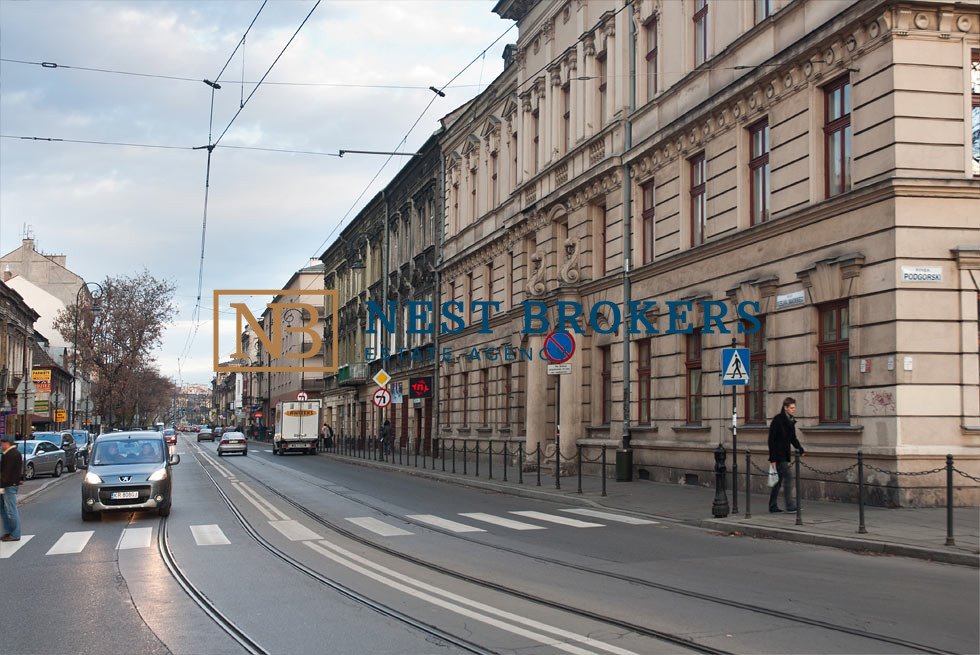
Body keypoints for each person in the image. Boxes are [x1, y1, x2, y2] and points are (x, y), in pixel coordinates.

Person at [768, 396, 805, 513]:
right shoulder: (777, 420)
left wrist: (800, 449)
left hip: (784, 454)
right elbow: (771, 440)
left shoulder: (790, 420)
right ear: (785, 408)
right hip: (778, 456)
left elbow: (793, 438)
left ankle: (772, 506)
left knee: (777, 481)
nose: (794, 409)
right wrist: (772, 458)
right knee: (788, 477)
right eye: (792, 408)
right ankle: (790, 505)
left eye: (794, 407)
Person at [1, 434, 24, 542]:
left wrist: (1, 484)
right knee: (4, 510)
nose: (1, 444)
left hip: (8, 485)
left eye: (3, 442)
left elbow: (6, 472)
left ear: (7, 443)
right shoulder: (9, 453)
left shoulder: (11, 454)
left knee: (10, 510)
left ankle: (14, 533)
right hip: (7, 485)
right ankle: (9, 532)